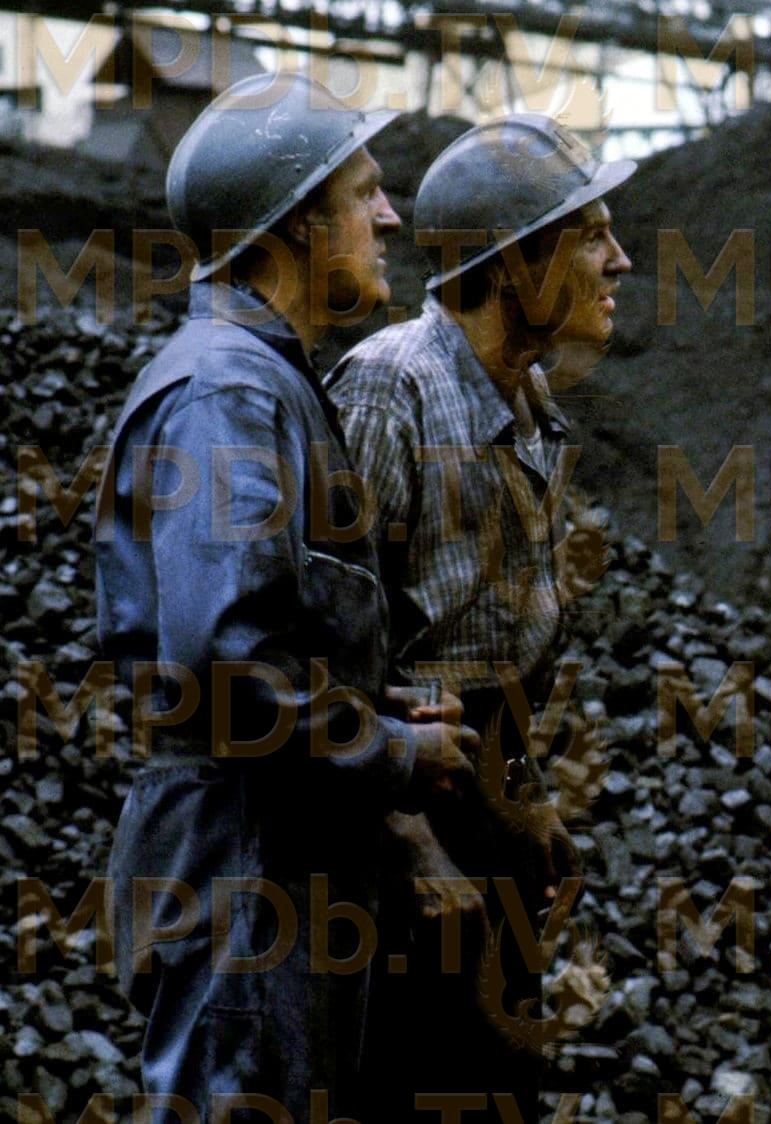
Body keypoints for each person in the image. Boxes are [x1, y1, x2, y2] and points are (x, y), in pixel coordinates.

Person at [94, 72, 475, 1117]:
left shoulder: (269, 383)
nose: (389, 216)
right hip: (245, 871)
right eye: (364, 193)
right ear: (300, 223)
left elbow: (267, 639)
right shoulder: (228, 392)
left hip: (275, 870)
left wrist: (378, 707)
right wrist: (394, 753)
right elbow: (226, 670)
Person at [327, 113, 632, 1119]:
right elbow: (329, 654)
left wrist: (523, 804)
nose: (620, 261)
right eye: (591, 236)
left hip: (477, 797)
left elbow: (489, 651)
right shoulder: (391, 389)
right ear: (509, 265)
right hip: (392, 819)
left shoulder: (527, 398)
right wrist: (413, 844)